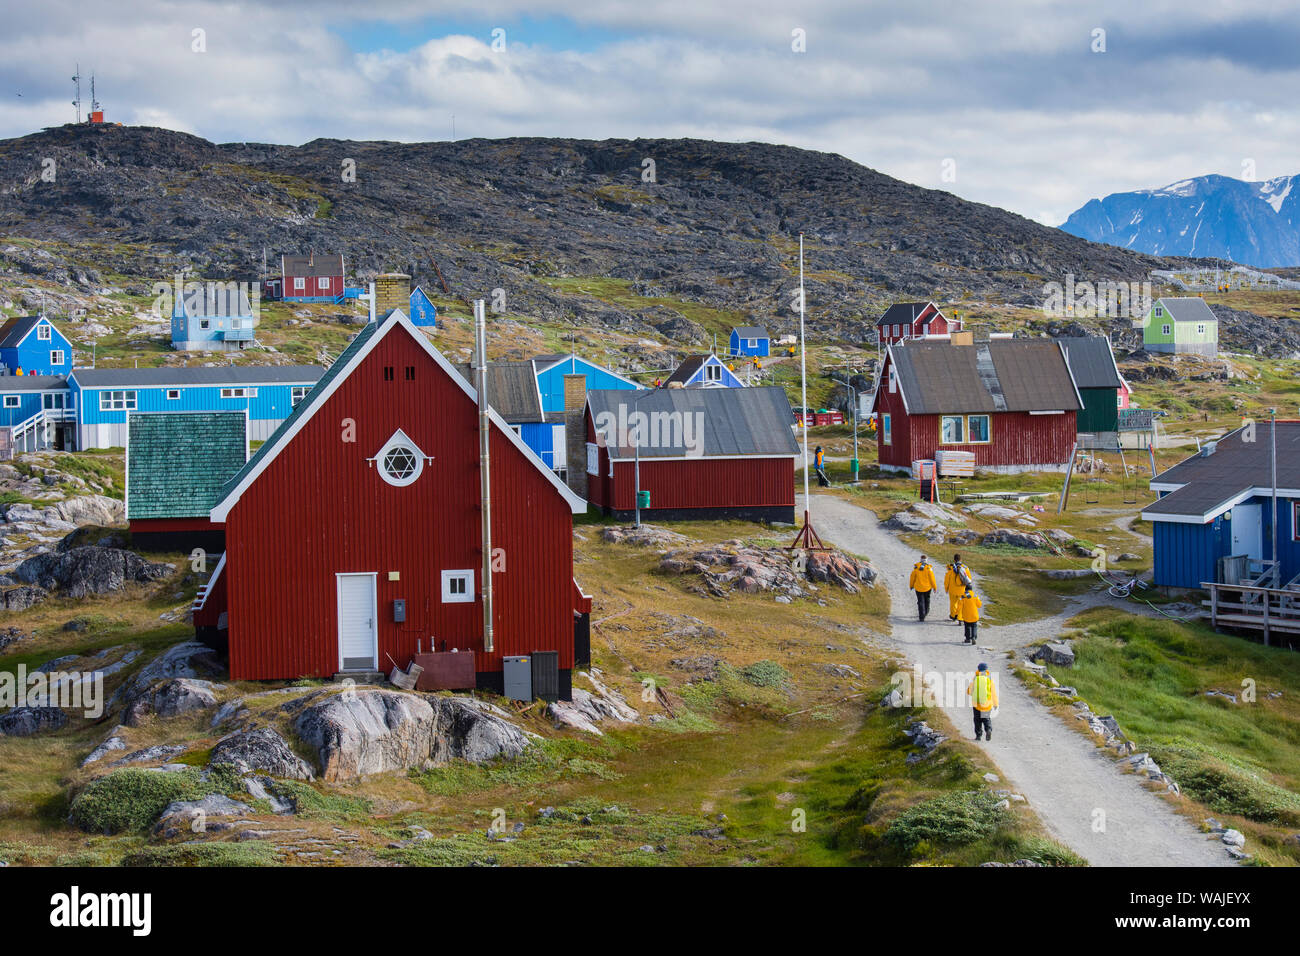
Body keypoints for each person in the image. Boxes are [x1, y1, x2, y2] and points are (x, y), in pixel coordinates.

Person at [967, 663, 998, 741]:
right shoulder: (989, 679)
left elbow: (969, 692)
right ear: (987, 670)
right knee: (986, 718)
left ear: (978, 669)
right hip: (987, 704)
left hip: (976, 704)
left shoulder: (975, 678)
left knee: (977, 720)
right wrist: (995, 704)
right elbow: (993, 693)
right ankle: (988, 730)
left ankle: (978, 736)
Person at [908, 554, 937, 621]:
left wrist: (911, 585)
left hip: (918, 587)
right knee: (927, 600)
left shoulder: (916, 568)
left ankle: (921, 616)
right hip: (927, 588)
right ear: (926, 560)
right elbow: (932, 579)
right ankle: (926, 612)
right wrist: (934, 587)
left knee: (920, 601)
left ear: (920, 559)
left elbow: (912, 577)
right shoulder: (929, 568)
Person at [944, 553, 972, 622]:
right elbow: (969, 579)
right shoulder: (965, 568)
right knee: (961, 603)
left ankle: (953, 616)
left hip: (952, 589)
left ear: (954, 560)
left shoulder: (950, 569)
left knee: (953, 603)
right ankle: (960, 617)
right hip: (962, 589)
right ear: (961, 559)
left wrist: (946, 588)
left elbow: (947, 580)